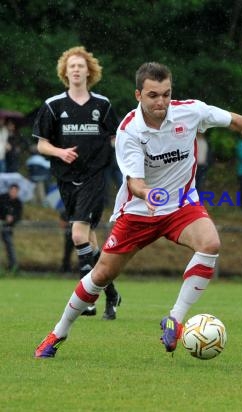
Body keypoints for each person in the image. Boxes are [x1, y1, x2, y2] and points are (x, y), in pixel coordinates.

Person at [34, 61, 242, 358]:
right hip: (139, 211)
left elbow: (234, 120)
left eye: (166, 93)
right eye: (153, 95)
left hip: (182, 204)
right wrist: (147, 193)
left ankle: (174, 319)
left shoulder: (190, 111)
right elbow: (134, 182)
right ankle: (58, 332)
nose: (161, 101)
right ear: (138, 95)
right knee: (100, 275)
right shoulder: (129, 130)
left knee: (210, 243)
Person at [32, 46, 121, 320]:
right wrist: (60, 152)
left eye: (81, 66)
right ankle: (111, 292)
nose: (76, 70)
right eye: (72, 66)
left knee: (78, 236)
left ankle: (88, 299)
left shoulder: (102, 105)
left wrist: (131, 155)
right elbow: (41, 145)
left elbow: (116, 138)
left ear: (89, 71)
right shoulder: (53, 105)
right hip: (67, 180)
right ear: (65, 71)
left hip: (95, 177)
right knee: (91, 241)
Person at [0, 184, 23, 272]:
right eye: (12, 191)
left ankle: (13, 266)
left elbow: (18, 216)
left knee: (9, 245)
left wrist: (12, 218)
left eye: (15, 191)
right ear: (9, 190)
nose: (13, 193)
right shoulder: (2, 198)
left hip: (8, 227)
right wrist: (4, 216)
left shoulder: (18, 203)